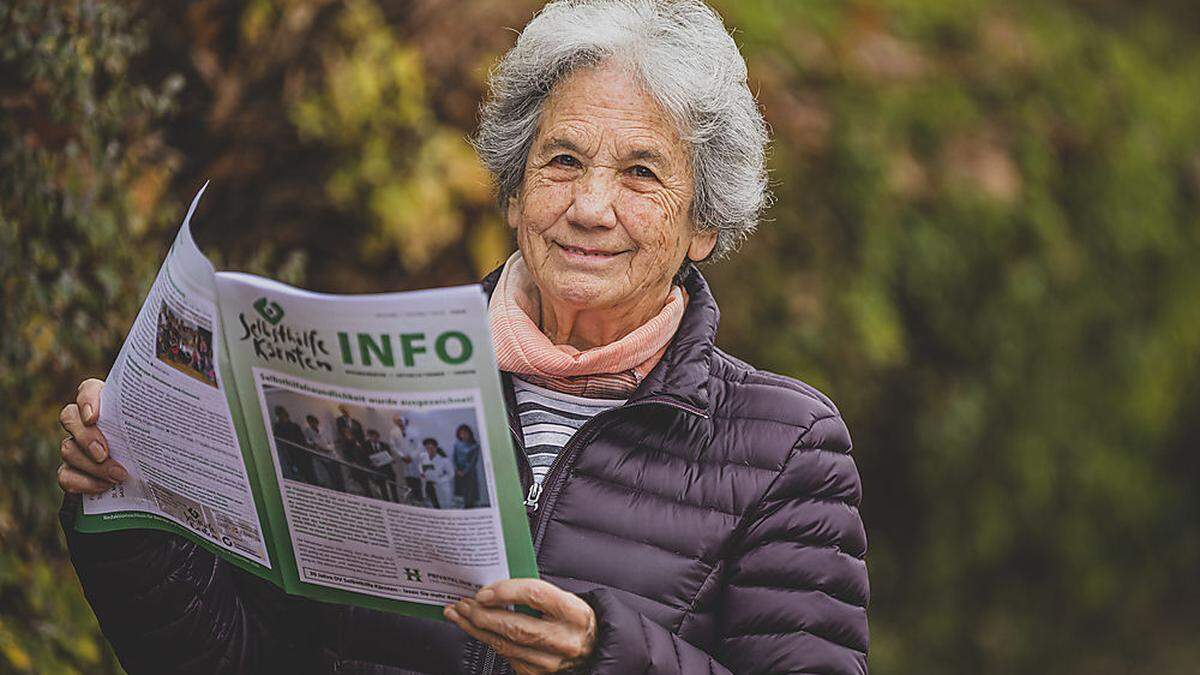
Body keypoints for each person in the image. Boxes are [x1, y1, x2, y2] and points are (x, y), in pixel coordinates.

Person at [55, 2, 868, 673]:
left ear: (702, 225)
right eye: (562, 160)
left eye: (641, 173)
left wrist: (603, 653)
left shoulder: (785, 446)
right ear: (514, 194)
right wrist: (127, 499)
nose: (590, 205)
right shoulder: (370, 377)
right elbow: (233, 657)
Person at [272, 406, 314, 485]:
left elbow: (303, 441)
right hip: (292, 457)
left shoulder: (294, 426)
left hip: (303, 455)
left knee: (310, 476)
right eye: (280, 414)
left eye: (283, 414)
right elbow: (280, 443)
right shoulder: (278, 427)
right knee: (300, 477)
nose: (282, 416)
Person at [388, 415, 423, 504]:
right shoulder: (393, 432)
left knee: (416, 478)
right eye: (397, 421)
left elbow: (419, 446)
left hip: (413, 459)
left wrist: (411, 456)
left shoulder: (414, 431)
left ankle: (419, 497)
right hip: (402, 459)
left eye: (401, 421)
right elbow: (393, 446)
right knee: (407, 478)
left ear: (405, 421)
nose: (399, 423)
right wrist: (402, 456)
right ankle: (412, 497)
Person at [303, 414, 342, 491]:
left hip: (332, 455)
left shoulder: (324, 430)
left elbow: (331, 443)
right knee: (330, 475)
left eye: (314, 423)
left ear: (317, 422)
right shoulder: (308, 431)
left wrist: (325, 449)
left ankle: (341, 489)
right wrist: (314, 446)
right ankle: (336, 489)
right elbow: (309, 442)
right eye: (310, 423)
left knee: (338, 474)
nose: (312, 425)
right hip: (321, 457)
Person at [452, 424, 484, 508]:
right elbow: (454, 458)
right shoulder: (457, 445)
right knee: (461, 494)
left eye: (465, 433)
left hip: (470, 473)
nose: (463, 436)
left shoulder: (475, 446)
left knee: (470, 493)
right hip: (459, 472)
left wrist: (464, 472)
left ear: (469, 433)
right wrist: (457, 470)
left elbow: (473, 462)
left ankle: (470, 507)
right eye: (461, 434)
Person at [419, 438, 455, 509]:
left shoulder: (444, 460)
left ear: (435, 448)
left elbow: (451, 474)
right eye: (427, 448)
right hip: (429, 488)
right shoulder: (423, 461)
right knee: (434, 508)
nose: (429, 450)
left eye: (431, 448)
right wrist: (423, 493)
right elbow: (423, 477)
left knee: (444, 508)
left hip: (441, 487)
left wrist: (440, 480)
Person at [363, 429, 396, 501]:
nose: (374, 438)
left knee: (393, 488)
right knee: (383, 489)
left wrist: (391, 459)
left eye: (375, 437)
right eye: (371, 437)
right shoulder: (365, 446)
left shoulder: (384, 445)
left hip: (387, 469)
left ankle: (396, 502)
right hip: (377, 471)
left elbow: (389, 456)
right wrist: (371, 464)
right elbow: (364, 459)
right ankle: (386, 502)